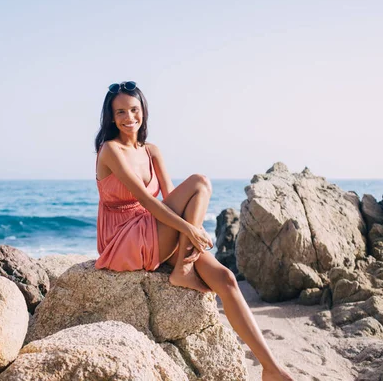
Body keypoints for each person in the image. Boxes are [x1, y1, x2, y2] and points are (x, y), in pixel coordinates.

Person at [94, 81, 293, 381]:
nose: (128, 117)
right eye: (120, 112)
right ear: (111, 117)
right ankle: (182, 270)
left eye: (134, 110)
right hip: (124, 237)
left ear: (143, 112)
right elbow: (148, 201)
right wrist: (191, 229)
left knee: (226, 279)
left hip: (154, 230)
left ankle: (271, 368)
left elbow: (174, 199)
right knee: (200, 181)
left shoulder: (152, 151)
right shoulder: (110, 150)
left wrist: (190, 230)